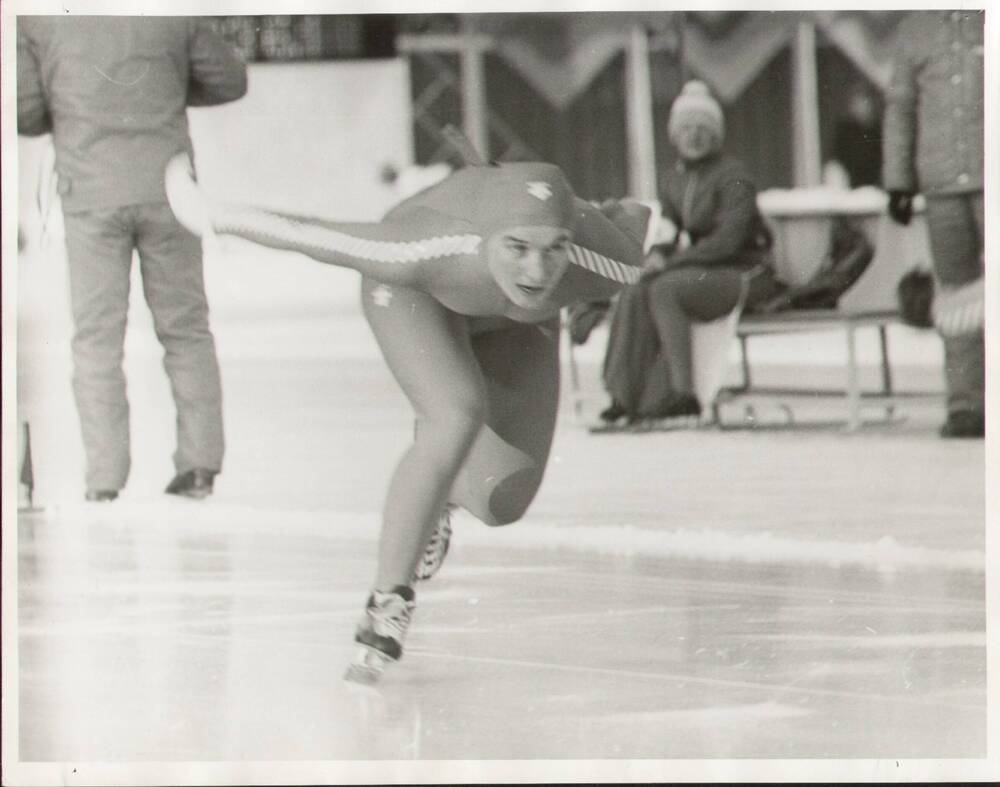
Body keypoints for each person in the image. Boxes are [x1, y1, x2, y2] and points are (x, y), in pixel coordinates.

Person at [163, 152, 649, 682]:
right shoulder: (425, 246)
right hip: (414, 295)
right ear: (490, 238)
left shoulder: (607, 263)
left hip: (512, 323)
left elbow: (635, 216)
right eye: (517, 248)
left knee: (502, 497)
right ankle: (387, 605)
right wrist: (208, 212)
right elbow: (310, 233)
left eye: (553, 250)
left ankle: (437, 495)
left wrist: (606, 223)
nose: (537, 271)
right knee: (456, 415)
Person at [17, 17, 248, 501]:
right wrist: (166, 91)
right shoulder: (171, 12)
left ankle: (104, 479)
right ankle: (200, 464)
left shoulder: (40, 21)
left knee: (96, 339)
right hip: (170, 189)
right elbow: (230, 79)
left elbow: (23, 110)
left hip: (91, 193)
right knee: (186, 328)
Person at [599, 80, 781, 425]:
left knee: (667, 287)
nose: (694, 137)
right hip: (703, 271)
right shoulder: (673, 180)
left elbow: (729, 241)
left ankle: (684, 395)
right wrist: (656, 254)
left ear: (716, 136)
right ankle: (623, 395)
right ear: (675, 135)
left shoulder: (734, 176)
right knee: (638, 287)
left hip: (746, 272)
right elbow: (668, 228)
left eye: (703, 129)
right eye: (686, 129)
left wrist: (672, 262)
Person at [882, 10, 984, 439]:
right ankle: (966, 404)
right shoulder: (915, 27)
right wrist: (899, 182)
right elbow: (901, 107)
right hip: (941, 185)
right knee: (957, 296)